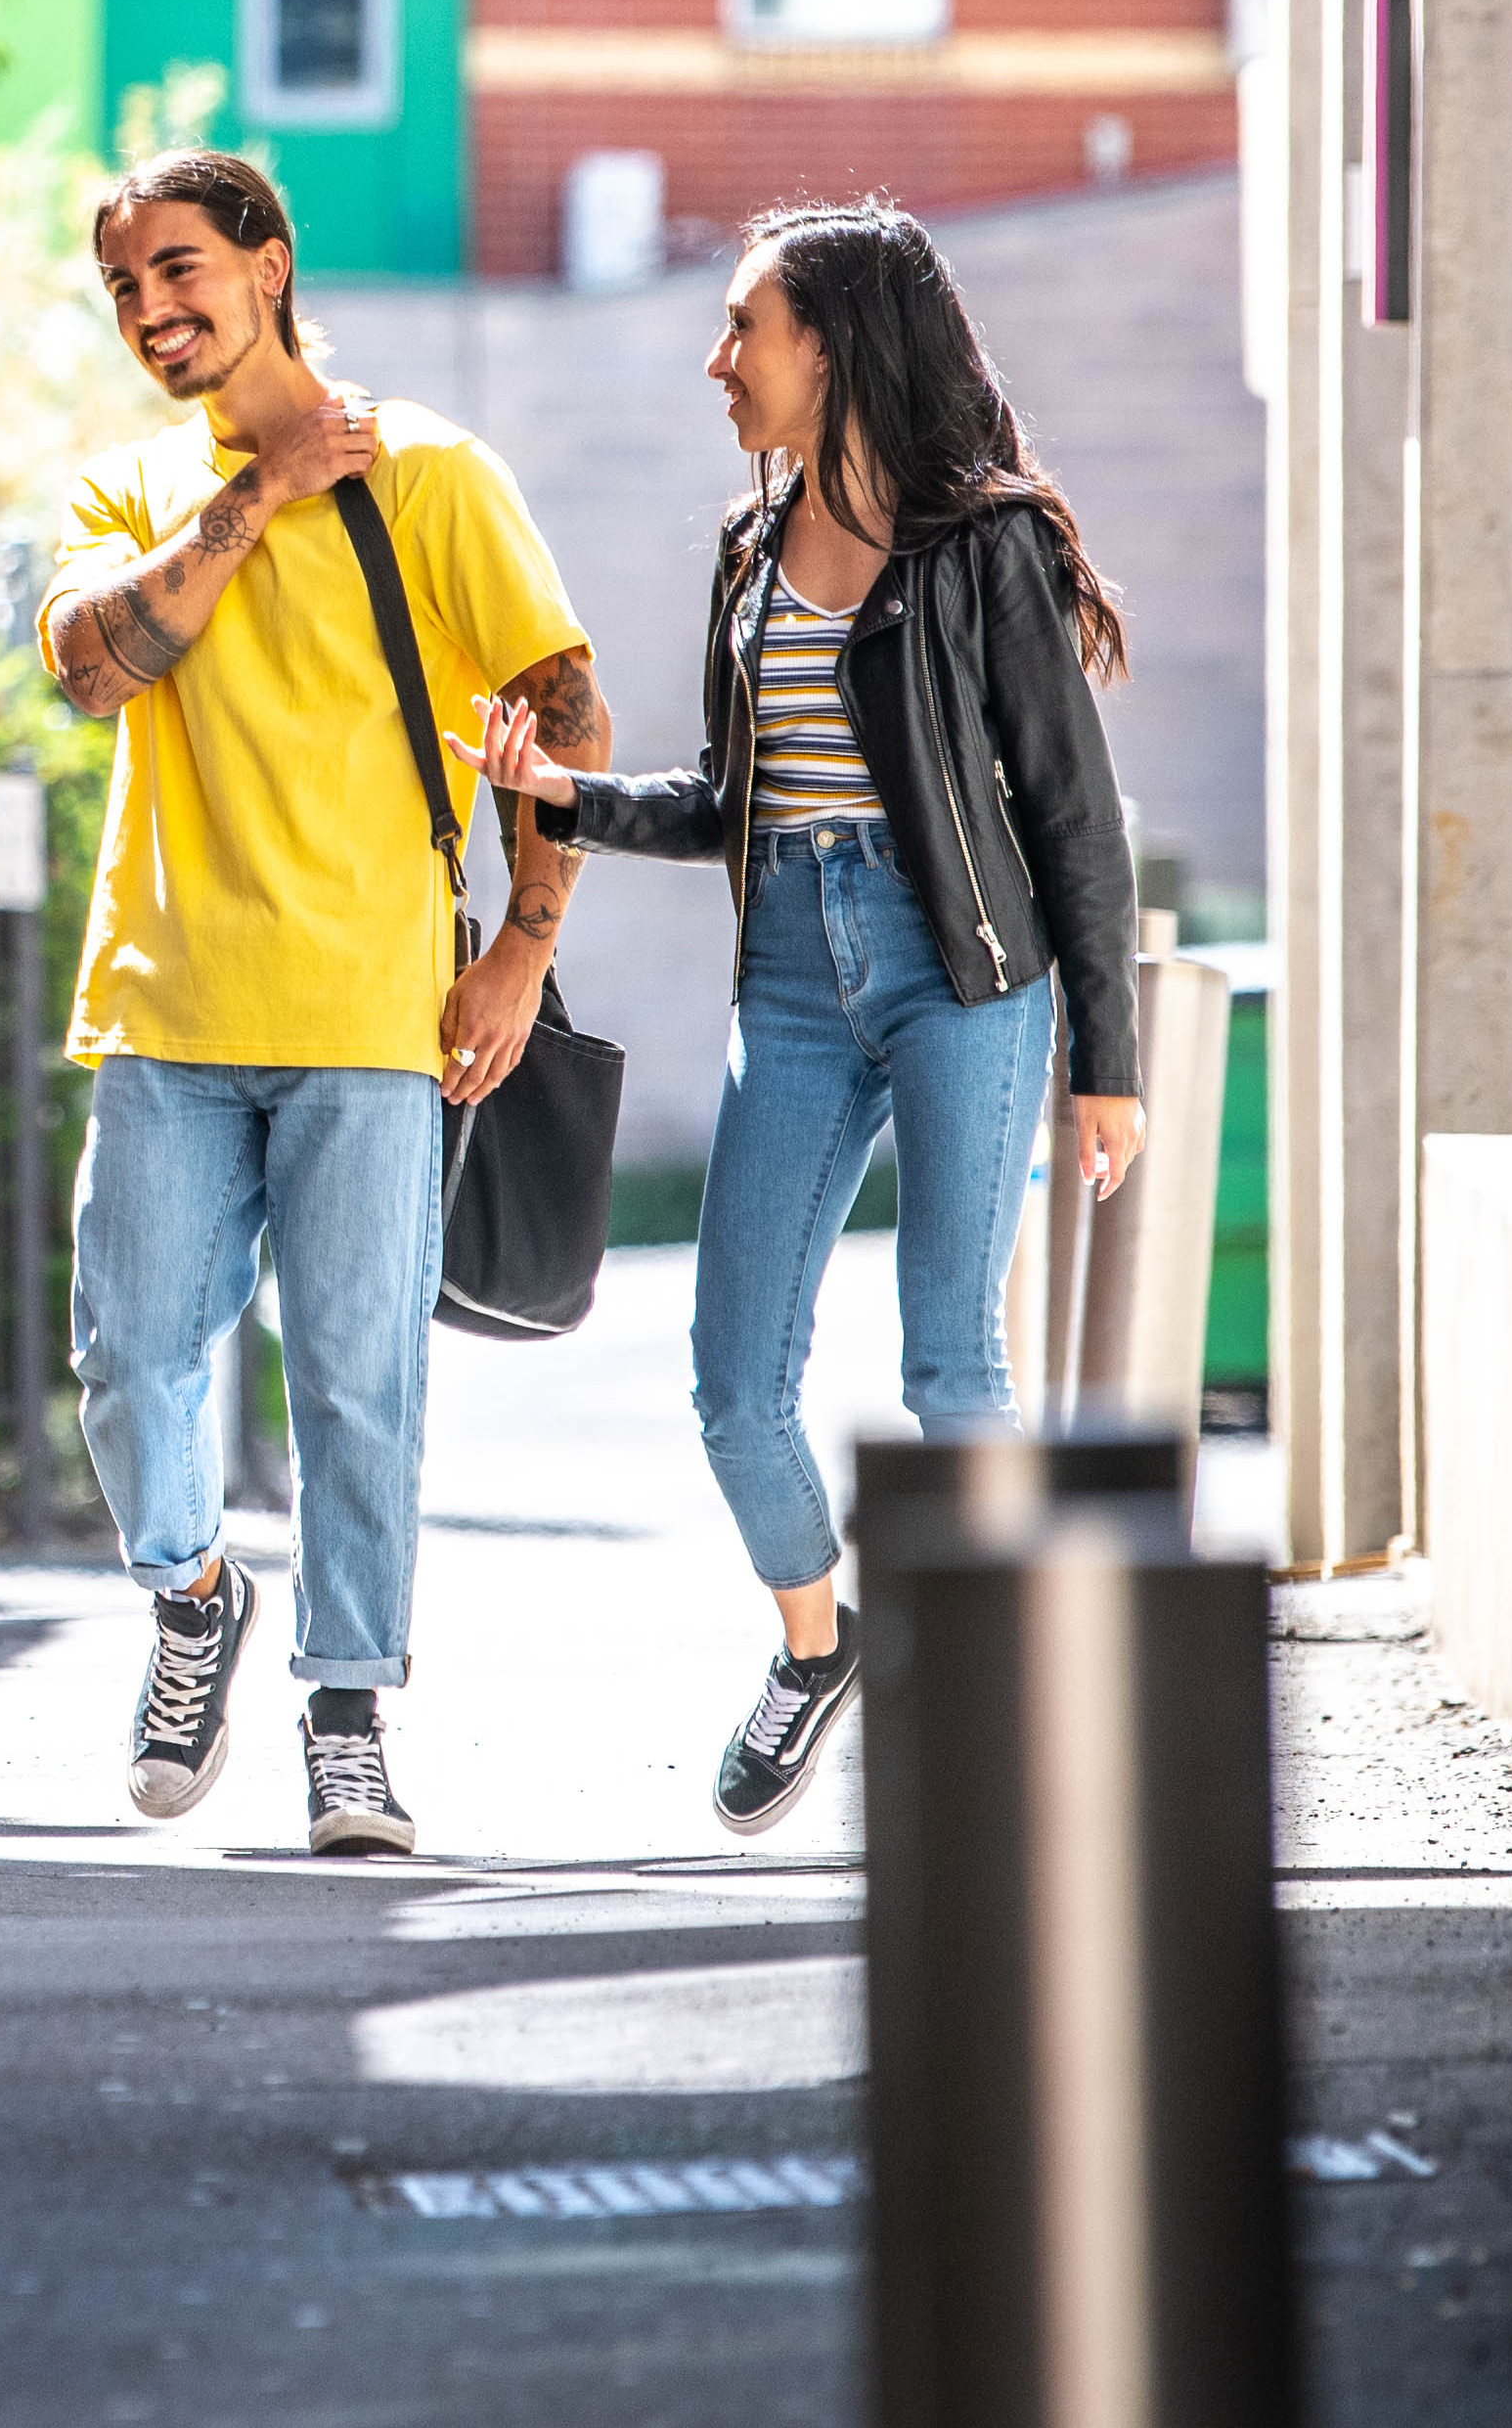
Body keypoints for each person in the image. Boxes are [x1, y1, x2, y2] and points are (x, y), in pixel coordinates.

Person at [472, 199, 1143, 1833]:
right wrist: (567, 793)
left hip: (958, 969)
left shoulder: (979, 544)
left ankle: (992, 1716)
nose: (721, 360)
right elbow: (727, 796)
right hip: (787, 970)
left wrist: (1105, 1062)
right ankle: (816, 1644)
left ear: (829, 346)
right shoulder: (745, 550)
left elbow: (1071, 813)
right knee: (732, 1377)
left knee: (950, 1358)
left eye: (743, 328)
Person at [37, 148, 601, 1861]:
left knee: (358, 1386)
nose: (155, 310)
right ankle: (194, 1599)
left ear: (269, 264)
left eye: (183, 269)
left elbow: (559, 703)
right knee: (131, 1360)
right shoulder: (130, 488)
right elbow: (88, 666)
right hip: (167, 1005)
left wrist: (526, 944)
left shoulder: (431, 470)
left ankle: (349, 1718)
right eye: (127, 286)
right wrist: (251, 497)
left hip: (373, 1009)